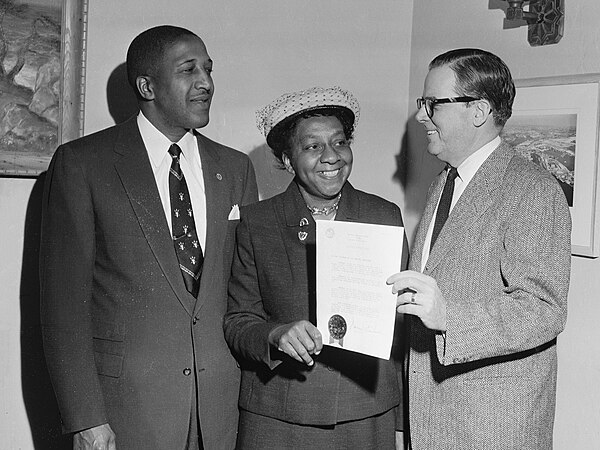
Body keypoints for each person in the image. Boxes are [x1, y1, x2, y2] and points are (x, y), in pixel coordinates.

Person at [39, 25, 258, 450]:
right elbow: (63, 309)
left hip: (219, 413)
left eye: (209, 70)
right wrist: (86, 419)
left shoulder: (234, 169)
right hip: (126, 414)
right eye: (189, 69)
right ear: (147, 85)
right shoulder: (83, 164)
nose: (206, 82)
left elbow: (246, 293)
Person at [387, 48, 571, 449]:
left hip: (491, 426)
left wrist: (449, 316)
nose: (421, 115)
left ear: (478, 110)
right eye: (423, 103)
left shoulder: (533, 189)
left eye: (433, 103)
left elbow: (544, 309)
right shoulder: (443, 182)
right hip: (433, 417)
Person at [223, 86, 409, 450]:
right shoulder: (257, 222)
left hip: (366, 413)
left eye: (339, 143)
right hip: (280, 414)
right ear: (288, 160)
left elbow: (401, 328)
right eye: (312, 147)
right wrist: (276, 335)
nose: (330, 157)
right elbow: (238, 320)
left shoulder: (384, 216)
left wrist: (402, 421)